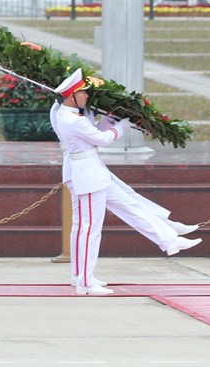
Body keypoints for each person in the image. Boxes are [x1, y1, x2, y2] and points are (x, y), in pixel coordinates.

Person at [50, 68, 202, 296]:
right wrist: (121, 127)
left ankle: (169, 237)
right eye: (83, 93)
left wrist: (111, 119)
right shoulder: (71, 119)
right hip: (87, 177)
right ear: (72, 96)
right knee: (89, 229)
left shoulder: (68, 113)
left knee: (128, 202)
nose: (87, 96)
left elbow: (91, 134)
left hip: (93, 172)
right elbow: (100, 139)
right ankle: (84, 281)